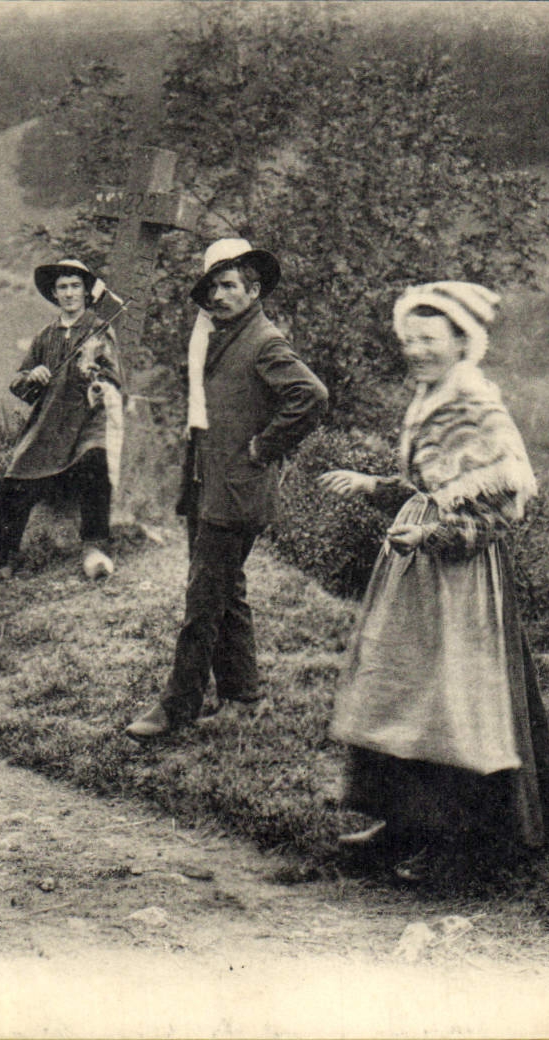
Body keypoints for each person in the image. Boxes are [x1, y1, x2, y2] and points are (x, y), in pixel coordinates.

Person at [318, 282, 549, 881]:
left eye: (429, 340)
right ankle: (401, 823)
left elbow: (502, 510)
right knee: (402, 690)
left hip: (458, 584)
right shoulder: (432, 398)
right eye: (410, 339)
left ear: (463, 343)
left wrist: (431, 538)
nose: (416, 350)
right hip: (413, 574)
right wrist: (374, 485)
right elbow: (432, 482)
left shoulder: (477, 408)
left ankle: (462, 841)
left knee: (453, 703)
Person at [125, 239, 328, 741]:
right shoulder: (222, 336)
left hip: (235, 491)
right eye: (212, 286)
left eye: (229, 285)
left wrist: (264, 447)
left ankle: (177, 707)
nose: (217, 295)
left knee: (203, 603)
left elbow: (311, 395)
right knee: (226, 592)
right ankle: (243, 696)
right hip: (209, 484)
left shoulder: (264, 340)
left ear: (253, 289)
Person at [0, 259, 122, 589]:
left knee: (95, 461)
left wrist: (92, 370)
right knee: (17, 477)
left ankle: (95, 549)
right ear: (54, 293)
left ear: (85, 291)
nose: (69, 293)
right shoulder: (45, 337)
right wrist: (32, 376)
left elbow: (115, 380)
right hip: (50, 423)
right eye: (62, 287)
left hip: (89, 419)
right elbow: (20, 386)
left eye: (75, 286)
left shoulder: (100, 330)